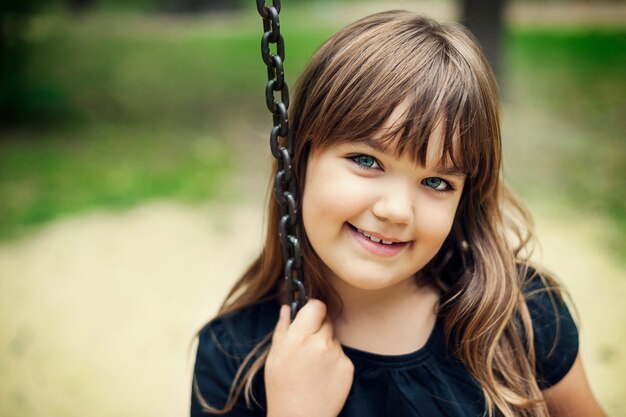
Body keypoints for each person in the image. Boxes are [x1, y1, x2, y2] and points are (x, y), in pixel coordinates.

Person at [190, 10, 605, 417]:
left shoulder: (520, 318)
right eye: (367, 161)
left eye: (437, 182)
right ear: (296, 158)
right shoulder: (233, 355)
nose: (396, 211)